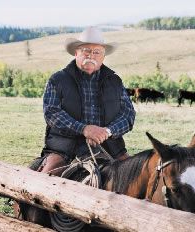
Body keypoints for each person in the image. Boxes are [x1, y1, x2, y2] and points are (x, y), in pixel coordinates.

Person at [39, 26, 136, 174]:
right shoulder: (58, 79)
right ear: (76, 53)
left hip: (110, 147)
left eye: (97, 52)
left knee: (134, 177)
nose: (91, 55)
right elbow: (52, 113)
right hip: (65, 149)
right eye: (86, 51)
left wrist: (107, 132)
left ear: (103, 57)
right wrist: (84, 129)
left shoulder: (115, 81)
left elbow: (128, 115)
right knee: (46, 181)